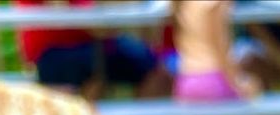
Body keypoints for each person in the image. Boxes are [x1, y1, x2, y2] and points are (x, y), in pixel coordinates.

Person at [16, 0, 170, 98]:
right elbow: (82, 19)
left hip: (88, 47)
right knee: (150, 64)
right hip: (57, 54)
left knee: (154, 65)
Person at [172, 0, 260, 102]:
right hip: (214, 77)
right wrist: (238, 80)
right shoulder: (213, 4)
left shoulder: (181, 4)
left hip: (186, 78)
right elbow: (220, 45)